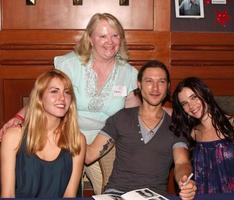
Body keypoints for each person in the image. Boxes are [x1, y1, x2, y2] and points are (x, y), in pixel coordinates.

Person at [0, 13, 139, 194]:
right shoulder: (70, 64)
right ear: (90, 38)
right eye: (103, 36)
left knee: (113, 191)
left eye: (115, 35)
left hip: (106, 139)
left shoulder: (129, 73)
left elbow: (132, 117)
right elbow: (46, 94)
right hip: (67, 133)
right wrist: (19, 116)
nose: (110, 41)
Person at [86, 60, 196, 199]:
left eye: (161, 82)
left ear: (168, 87)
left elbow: (181, 162)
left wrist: (185, 180)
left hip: (154, 196)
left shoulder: (175, 125)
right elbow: (89, 155)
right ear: (139, 85)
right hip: (117, 194)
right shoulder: (121, 118)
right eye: (149, 81)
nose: (155, 88)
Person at [0, 69, 86, 198]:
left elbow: (70, 195)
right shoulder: (14, 137)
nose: (62, 98)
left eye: (67, 92)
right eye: (54, 91)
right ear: (39, 97)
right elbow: (8, 195)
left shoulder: (76, 139)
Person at [170, 77, 234, 194]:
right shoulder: (193, 134)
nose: (191, 106)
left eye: (194, 97)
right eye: (185, 103)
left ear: (205, 94)